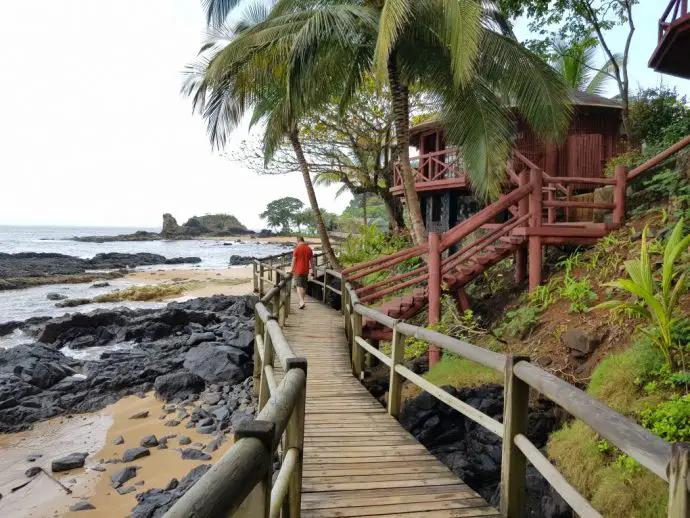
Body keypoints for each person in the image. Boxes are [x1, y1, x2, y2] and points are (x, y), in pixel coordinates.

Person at [291, 236, 314, 309]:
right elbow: (312, 261)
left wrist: (291, 269)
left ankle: (301, 301)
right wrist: (313, 270)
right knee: (303, 286)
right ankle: (302, 302)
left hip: (298, 270)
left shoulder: (297, 249)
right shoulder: (309, 249)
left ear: (297, 241)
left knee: (298, 286)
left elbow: (293, 260)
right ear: (303, 241)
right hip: (306, 270)